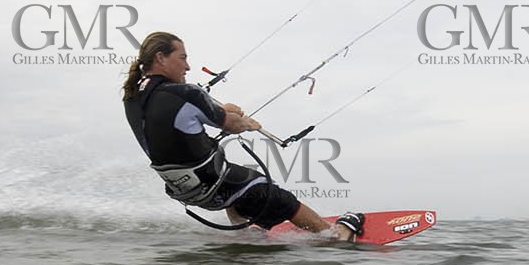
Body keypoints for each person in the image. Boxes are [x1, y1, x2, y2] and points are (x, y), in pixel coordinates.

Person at [121, 31, 364, 241]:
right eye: (182, 58)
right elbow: (232, 125)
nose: (188, 67)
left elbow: (177, 124)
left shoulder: (132, 98)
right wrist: (246, 122)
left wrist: (223, 110)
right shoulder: (184, 93)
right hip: (213, 183)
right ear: (160, 58)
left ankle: (244, 236)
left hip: (185, 191)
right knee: (277, 197)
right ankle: (335, 235)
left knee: (239, 184)